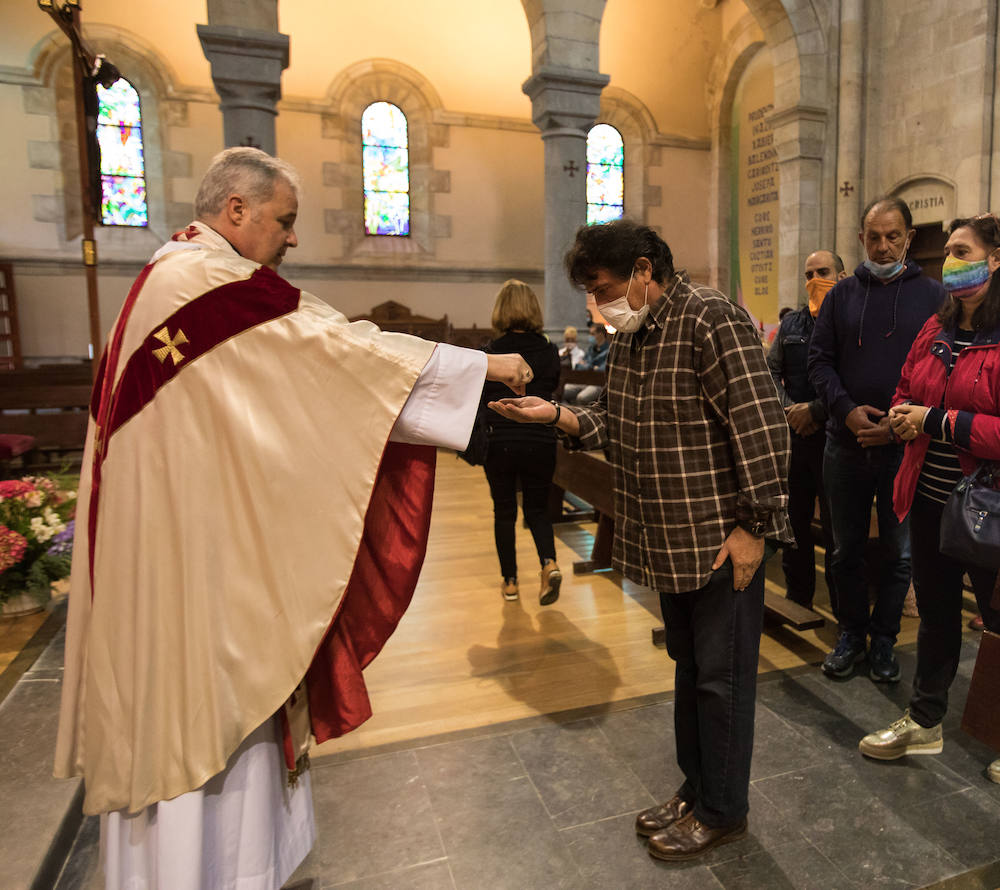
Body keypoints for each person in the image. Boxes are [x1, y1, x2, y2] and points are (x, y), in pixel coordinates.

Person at [52, 147, 531, 890]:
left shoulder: (166, 279)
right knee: (207, 708)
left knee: (177, 701)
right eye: (286, 221)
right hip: (197, 566)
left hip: (170, 545)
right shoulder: (212, 289)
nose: (293, 238)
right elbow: (343, 358)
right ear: (235, 210)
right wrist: (483, 366)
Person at [489, 220, 790, 861]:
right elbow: (618, 421)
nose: (596, 306)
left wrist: (753, 528)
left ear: (644, 270)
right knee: (690, 670)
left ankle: (723, 810)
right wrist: (557, 415)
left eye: (601, 288)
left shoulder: (711, 319)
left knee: (723, 681)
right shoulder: (635, 333)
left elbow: (761, 427)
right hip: (667, 536)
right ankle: (697, 786)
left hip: (717, 538)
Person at [864, 213, 1000, 789]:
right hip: (931, 496)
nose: (948, 260)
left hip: (996, 505)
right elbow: (907, 386)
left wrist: (935, 420)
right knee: (935, 612)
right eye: (948, 252)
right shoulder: (937, 327)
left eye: (960, 250)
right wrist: (906, 416)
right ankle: (926, 720)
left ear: (996, 258)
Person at [808, 196, 945, 683]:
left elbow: (941, 366)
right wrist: (846, 412)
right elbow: (819, 362)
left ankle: (884, 640)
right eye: (873, 237)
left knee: (898, 551)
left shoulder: (933, 297)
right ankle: (850, 633)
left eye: (893, 237)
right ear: (860, 239)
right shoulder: (841, 297)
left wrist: (899, 421)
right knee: (843, 548)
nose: (883, 247)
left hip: (904, 446)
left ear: (909, 238)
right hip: (843, 445)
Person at [767, 249, 843, 611]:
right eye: (809, 274)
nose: (815, 280)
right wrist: (789, 410)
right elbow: (770, 371)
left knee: (836, 531)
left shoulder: (851, 323)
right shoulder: (791, 325)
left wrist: (816, 411)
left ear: (841, 276)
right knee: (793, 525)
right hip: (795, 438)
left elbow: (854, 380)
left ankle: (842, 608)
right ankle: (798, 599)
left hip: (836, 437)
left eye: (823, 271)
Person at [481, 279, 563, 604]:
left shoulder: (489, 352)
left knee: (504, 512)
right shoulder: (549, 350)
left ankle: (511, 583)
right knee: (537, 509)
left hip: (500, 438)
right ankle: (549, 563)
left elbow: (482, 394)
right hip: (541, 437)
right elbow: (553, 385)